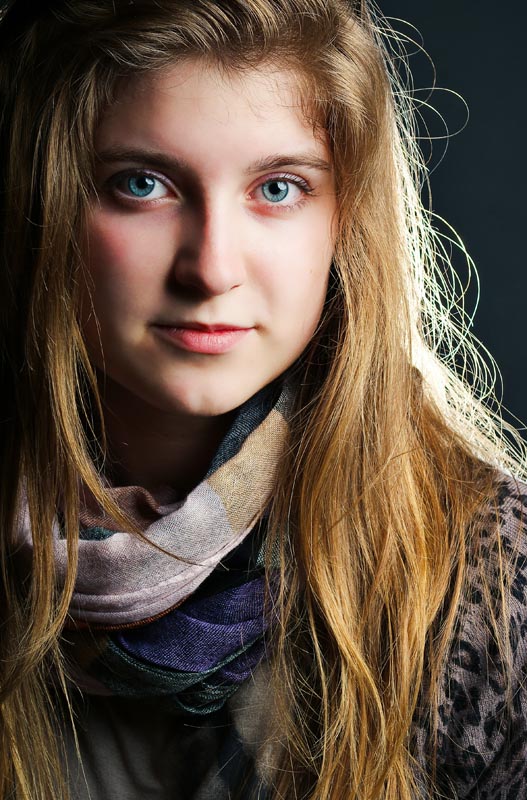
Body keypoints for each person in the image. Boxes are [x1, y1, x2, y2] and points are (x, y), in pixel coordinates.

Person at [1, 0, 526, 798]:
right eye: (141, 184)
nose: (212, 269)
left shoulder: (487, 579)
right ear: (40, 204)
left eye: (277, 188)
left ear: (345, 222)